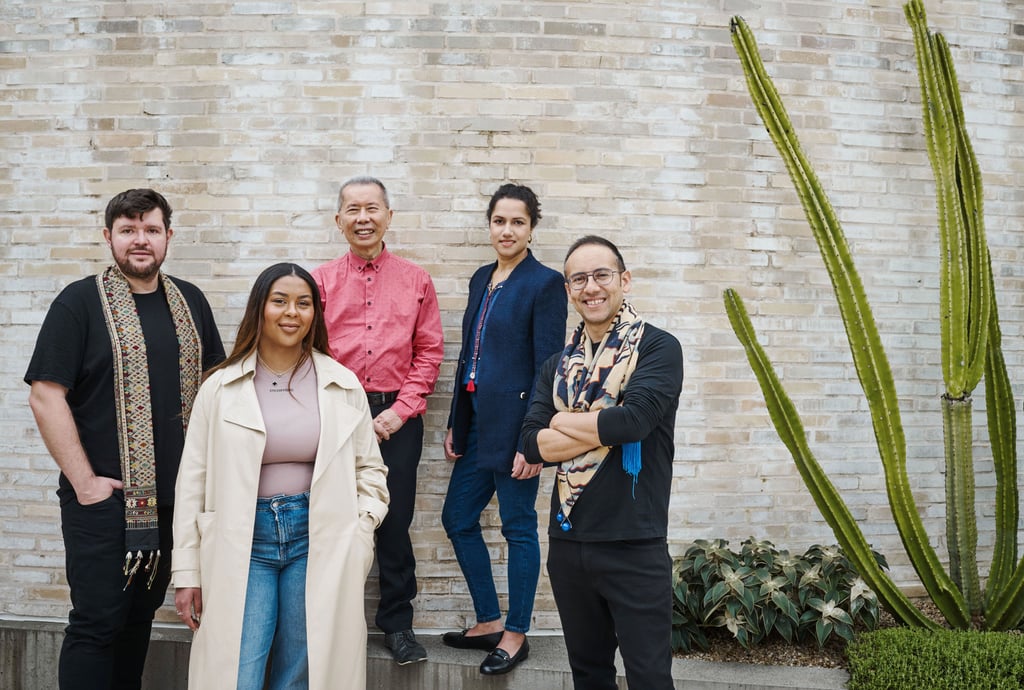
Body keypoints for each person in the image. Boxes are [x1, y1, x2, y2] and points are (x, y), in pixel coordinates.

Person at [24, 189, 225, 690]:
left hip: (172, 505)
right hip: (104, 506)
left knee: (139, 624)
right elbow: (46, 396)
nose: (141, 240)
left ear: (168, 237)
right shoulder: (80, 302)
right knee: (95, 626)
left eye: (151, 230)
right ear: (108, 236)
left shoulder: (190, 301)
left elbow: (218, 389)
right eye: (129, 230)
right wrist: (86, 483)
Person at [171, 263, 390, 690]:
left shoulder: (341, 383)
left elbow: (371, 469)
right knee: (238, 671)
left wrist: (361, 527)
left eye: (304, 303)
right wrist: (186, 574)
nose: (292, 312)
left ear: (314, 315)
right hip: (244, 539)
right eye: (280, 301)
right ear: (260, 309)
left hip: (319, 537)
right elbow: (192, 482)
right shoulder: (219, 388)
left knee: (302, 672)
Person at [520, 235, 684, 690]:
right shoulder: (557, 364)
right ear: (569, 290)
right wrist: (593, 422)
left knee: (649, 678)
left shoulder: (658, 348)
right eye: (579, 278)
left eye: (601, 275)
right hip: (569, 544)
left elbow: (632, 423)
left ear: (624, 280)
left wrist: (559, 418)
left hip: (634, 542)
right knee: (589, 676)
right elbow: (532, 444)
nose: (590, 287)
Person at [311, 176, 444, 665]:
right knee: (329, 518)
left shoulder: (416, 280)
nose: (362, 217)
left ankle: (398, 625)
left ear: (389, 216)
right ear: (338, 220)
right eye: (352, 209)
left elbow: (429, 354)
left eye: (372, 208)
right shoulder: (320, 282)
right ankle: (327, 622)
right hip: (334, 412)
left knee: (392, 521)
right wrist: (342, 412)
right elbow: (307, 352)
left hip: (397, 416)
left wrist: (397, 413)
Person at [440, 184, 567, 675]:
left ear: (532, 227)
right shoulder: (480, 278)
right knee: (458, 518)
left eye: (517, 222)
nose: (507, 230)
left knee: (517, 530)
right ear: (489, 225)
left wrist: (533, 441)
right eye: (499, 221)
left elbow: (548, 367)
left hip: (516, 431)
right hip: (475, 427)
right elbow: (468, 354)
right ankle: (489, 619)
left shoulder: (544, 283)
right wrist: (456, 421)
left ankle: (516, 634)